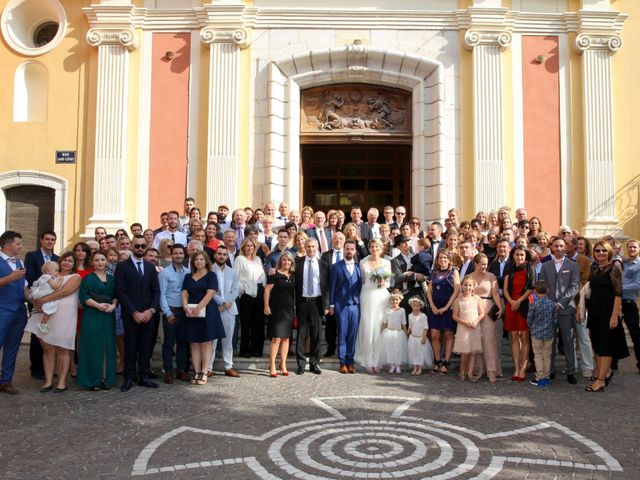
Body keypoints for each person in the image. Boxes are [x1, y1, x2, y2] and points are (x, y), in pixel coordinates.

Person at [25, 251, 81, 393]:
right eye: (65, 260)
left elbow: (63, 293)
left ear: (74, 264)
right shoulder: (49, 276)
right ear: (60, 261)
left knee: (63, 349)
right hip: (45, 315)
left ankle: (62, 382)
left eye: (70, 261)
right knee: (48, 348)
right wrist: (36, 299)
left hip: (65, 316)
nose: (67, 263)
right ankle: (48, 381)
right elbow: (39, 289)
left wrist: (42, 300)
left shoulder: (75, 277)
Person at [115, 235, 161, 392]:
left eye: (143, 246)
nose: (140, 248)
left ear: (146, 248)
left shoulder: (150, 267)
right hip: (130, 315)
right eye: (137, 246)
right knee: (130, 346)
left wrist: (151, 310)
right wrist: (134, 312)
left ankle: (144, 376)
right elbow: (121, 292)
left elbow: (156, 291)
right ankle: (128, 377)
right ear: (131, 247)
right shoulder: (122, 267)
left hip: (149, 315)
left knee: (146, 346)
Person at [584, 241, 629, 392]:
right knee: (597, 345)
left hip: (607, 313)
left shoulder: (613, 269)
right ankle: (604, 372)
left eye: (604, 250)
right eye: (598, 250)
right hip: (595, 313)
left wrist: (614, 316)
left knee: (606, 347)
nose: (601, 253)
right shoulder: (595, 268)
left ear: (609, 252)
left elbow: (618, 294)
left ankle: (601, 380)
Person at [539, 236, 581, 384]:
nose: (559, 249)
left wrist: (561, 303)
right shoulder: (545, 266)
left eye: (561, 246)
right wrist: (549, 303)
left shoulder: (573, 265)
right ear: (551, 247)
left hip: (566, 309)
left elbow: (574, 287)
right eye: (556, 246)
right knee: (550, 341)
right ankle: (550, 371)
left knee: (568, 340)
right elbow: (542, 286)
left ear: (566, 248)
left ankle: (570, 371)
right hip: (549, 308)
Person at [180, 251, 225, 385]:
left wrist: (198, 308)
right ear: (192, 262)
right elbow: (184, 293)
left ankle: (205, 371)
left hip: (207, 311)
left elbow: (210, 293)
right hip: (191, 311)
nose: (198, 262)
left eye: (201, 259)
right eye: (196, 260)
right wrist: (185, 306)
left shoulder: (211, 275)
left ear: (206, 261)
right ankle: (197, 372)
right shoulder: (188, 276)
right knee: (194, 343)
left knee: (206, 343)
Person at [76, 252, 118, 390]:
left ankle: (106, 378)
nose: (100, 262)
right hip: (92, 315)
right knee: (92, 346)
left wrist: (113, 305)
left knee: (108, 346)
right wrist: (98, 305)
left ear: (106, 261)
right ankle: (93, 380)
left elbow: (115, 295)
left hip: (107, 315)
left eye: (102, 259)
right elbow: (83, 296)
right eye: (97, 260)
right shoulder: (88, 278)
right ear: (92, 262)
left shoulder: (112, 278)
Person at [24, 231, 59, 379]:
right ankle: (37, 368)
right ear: (41, 240)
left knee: (50, 333)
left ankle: (49, 367)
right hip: (38, 300)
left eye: (52, 239)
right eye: (47, 239)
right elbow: (30, 276)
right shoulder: (32, 256)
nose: (50, 242)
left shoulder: (58, 258)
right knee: (36, 333)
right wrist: (44, 287)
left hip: (54, 302)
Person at [355, 239, 392, 373]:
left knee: (379, 326)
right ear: (369, 248)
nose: (374, 248)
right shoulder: (363, 262)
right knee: (368, 326)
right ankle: (368, 360)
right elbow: (361, 280)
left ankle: (377, 360)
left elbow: (389, 282)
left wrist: (383, 283)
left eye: (377, 246)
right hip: (367, 295)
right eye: (372, 246)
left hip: (381, 296)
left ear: (381, 248)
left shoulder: (386, 262)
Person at [294, 238, 329, 375]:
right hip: (302, 302)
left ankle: (314, 364)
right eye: (308, 246)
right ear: (304, 247)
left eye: (313, 246)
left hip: (317, 303)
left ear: (317, 248)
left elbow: (326, 287)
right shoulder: (297, 263)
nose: (310, 249)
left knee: (316, 334)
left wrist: (326, 305)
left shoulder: (324, 265)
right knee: (302, 334)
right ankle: (301, 364)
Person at [0, 231, 28, 394]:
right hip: (2, 310)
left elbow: (23, 286)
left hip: (19, 311)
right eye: (18, 243)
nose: (20, 246)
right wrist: (12, 277)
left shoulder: (18, 262)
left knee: (12, 347)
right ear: (8, 245)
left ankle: (6, 380)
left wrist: (33, 297)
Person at [329, 239, 362, 374]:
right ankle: (342, 362)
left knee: (352, 335)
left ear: (355, 251)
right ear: (343, 250)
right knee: (342, 334)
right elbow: (332, 288)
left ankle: (350, 361)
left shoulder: (359, 268)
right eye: (347, 249)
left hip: (355, 305)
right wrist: (331, 305)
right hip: (341, 305)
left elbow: (360, 287)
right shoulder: (336, 267)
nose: (349, 251)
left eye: (352, 249)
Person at [159, 244, 190, 383]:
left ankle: (181, 370)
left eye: (181, 253)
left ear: (184, 255)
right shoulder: (165, 273)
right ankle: (168, 371)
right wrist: (167, 313)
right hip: (171, 311)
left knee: (183, 342)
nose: (178, 255)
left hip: (184, 312)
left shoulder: (187, 272)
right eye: (175, 253)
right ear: (171, 255)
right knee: (168, 343)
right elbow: (162, 294)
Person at [503, 246, 535, 382]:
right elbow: (504, 289)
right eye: (517, 255)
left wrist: (519, 301)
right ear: (513, 255)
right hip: (511, 304)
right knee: (514, 337)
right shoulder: (509, 268)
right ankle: (516, 367)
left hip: (524, 304)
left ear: (525, 256)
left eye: (522, 255)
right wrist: (511, 301)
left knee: (525, 337)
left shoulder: (530, 268)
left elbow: (531, 287)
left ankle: (523, 367)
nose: (519, 257)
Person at [208, 245, 240, 378]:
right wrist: (220, 302)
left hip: (229, 309)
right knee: (212, 340)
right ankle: (208, 367)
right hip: (213, 308)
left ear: (227, 256)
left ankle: (228, 366)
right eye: (219, 254)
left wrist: (226, 303)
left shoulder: (232, 272)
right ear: (215, 255)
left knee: (228, 339)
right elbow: (209, 289)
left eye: (224, 254)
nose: (222, 256)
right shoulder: (209, 270)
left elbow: (236, 290)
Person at [469, 253, 502, 383]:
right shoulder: (468, 277)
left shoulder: (491, 276)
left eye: (486, 264)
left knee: (489, 340)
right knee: (476, 339)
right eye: (482, 264)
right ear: (475, 264)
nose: (485, 266)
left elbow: (495, 294)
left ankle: (491, 371)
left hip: (488, 309)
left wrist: (500, 308)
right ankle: (478, 369)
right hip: (473, 309)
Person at [427, 250, 460, 375]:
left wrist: (447, 307)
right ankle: (437, 361)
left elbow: (457, 290)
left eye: (445, 258)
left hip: (448, 308)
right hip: (435, 308)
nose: (443, 260)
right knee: (434, 335)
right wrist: (432, 306)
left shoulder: (454, 271)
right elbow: (429, 291)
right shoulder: (434, 272)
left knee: (448, 335)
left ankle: (446, 362)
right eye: (440, 258)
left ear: (449, 259)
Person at [264, 252, 295, 377]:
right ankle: (272, 365)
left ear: (291, 262)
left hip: (288, 310)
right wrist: (266, 306)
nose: (286, 262)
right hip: (276, 310)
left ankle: (283, 364)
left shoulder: (293, 276)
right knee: (276, 338)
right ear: (280, 261)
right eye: (284, 260)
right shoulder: (274, 273)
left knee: (286, 338)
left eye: (288, 260)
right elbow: (267, 290)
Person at [235, 239, 267, 358]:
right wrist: (242, 289)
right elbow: (235, 277)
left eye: (252, 246)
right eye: (247, 246)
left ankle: (257, 350)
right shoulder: (239, 260)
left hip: (259, 292)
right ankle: (245, 350)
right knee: (246, 324)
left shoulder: (258, 259)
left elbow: (262, 276)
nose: (250, 248)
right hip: (246, 294)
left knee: (258, 324)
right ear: (243, 247)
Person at [452, 276, 485, 382]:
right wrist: (465, 323)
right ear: (462, 286)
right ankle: (462, 371)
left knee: (473, 352)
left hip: (474, 327)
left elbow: (482, 313)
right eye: (465, 285)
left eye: (470, 285)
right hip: (463, 328)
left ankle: (470, 373)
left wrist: (475, 321)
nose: (467, 287)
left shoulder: (477, 299)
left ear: (474, 286)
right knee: (465, 352)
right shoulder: (459, 299)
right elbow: (455, 316)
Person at [527, 280, 557, 387]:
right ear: (548, 290)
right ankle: (546, 376)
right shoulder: (552, 304)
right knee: (547, 354)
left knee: (538, 355)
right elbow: (555, 319)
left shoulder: (534, 304)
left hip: (536, 332)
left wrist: (531, 327)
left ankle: (539, 376)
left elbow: (529, 319)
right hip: (549, 332)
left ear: (535, 291)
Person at [622, 239, 640, 373]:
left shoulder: (639, 265)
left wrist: (618, 288)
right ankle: (613, 363)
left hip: (629, 304)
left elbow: (637, 285)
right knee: (613, 333)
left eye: (634, 247)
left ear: (638, 249)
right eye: (630, 247)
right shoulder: (623, 263)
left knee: (636, 335)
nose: (632, 249)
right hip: (616, 303)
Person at [29, 261, 63, 333]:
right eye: (56, 270)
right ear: (48, 271)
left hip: (41, 293)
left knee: (47, 308)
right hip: (45, 294)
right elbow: (55, 287)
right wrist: (60, 280)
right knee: (50, 309)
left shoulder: (43, 276)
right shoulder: (48, 277)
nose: (57, 272)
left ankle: (36, 309)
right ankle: (43, 323)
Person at [379, 291, 408, 373]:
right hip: (389, 332)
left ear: (400, 300)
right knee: (390, 349)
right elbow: (385, 322)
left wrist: (405, 333)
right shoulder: (387, 310)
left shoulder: (402, 310)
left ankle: (397, 365)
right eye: (393, 299)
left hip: (398, 332)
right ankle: (391, 365)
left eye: (396, 300)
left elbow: (404, 323)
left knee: (398, 349)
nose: (394, 301)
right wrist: (382, 332)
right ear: (390, 300)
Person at [406, 296, 434, 375]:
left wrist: (424, 337)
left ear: (420, 306)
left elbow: (426, 328)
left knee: (420, 353)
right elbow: (410, 326)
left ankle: (420, 368)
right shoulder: (410, 315)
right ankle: (415, 368)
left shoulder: (423, 316)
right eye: (414, 305)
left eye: (418, 306)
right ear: (411, 306)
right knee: (413, 353)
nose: (415, 307)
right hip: (412, 338)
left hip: (420, 338)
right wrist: (406, 333)